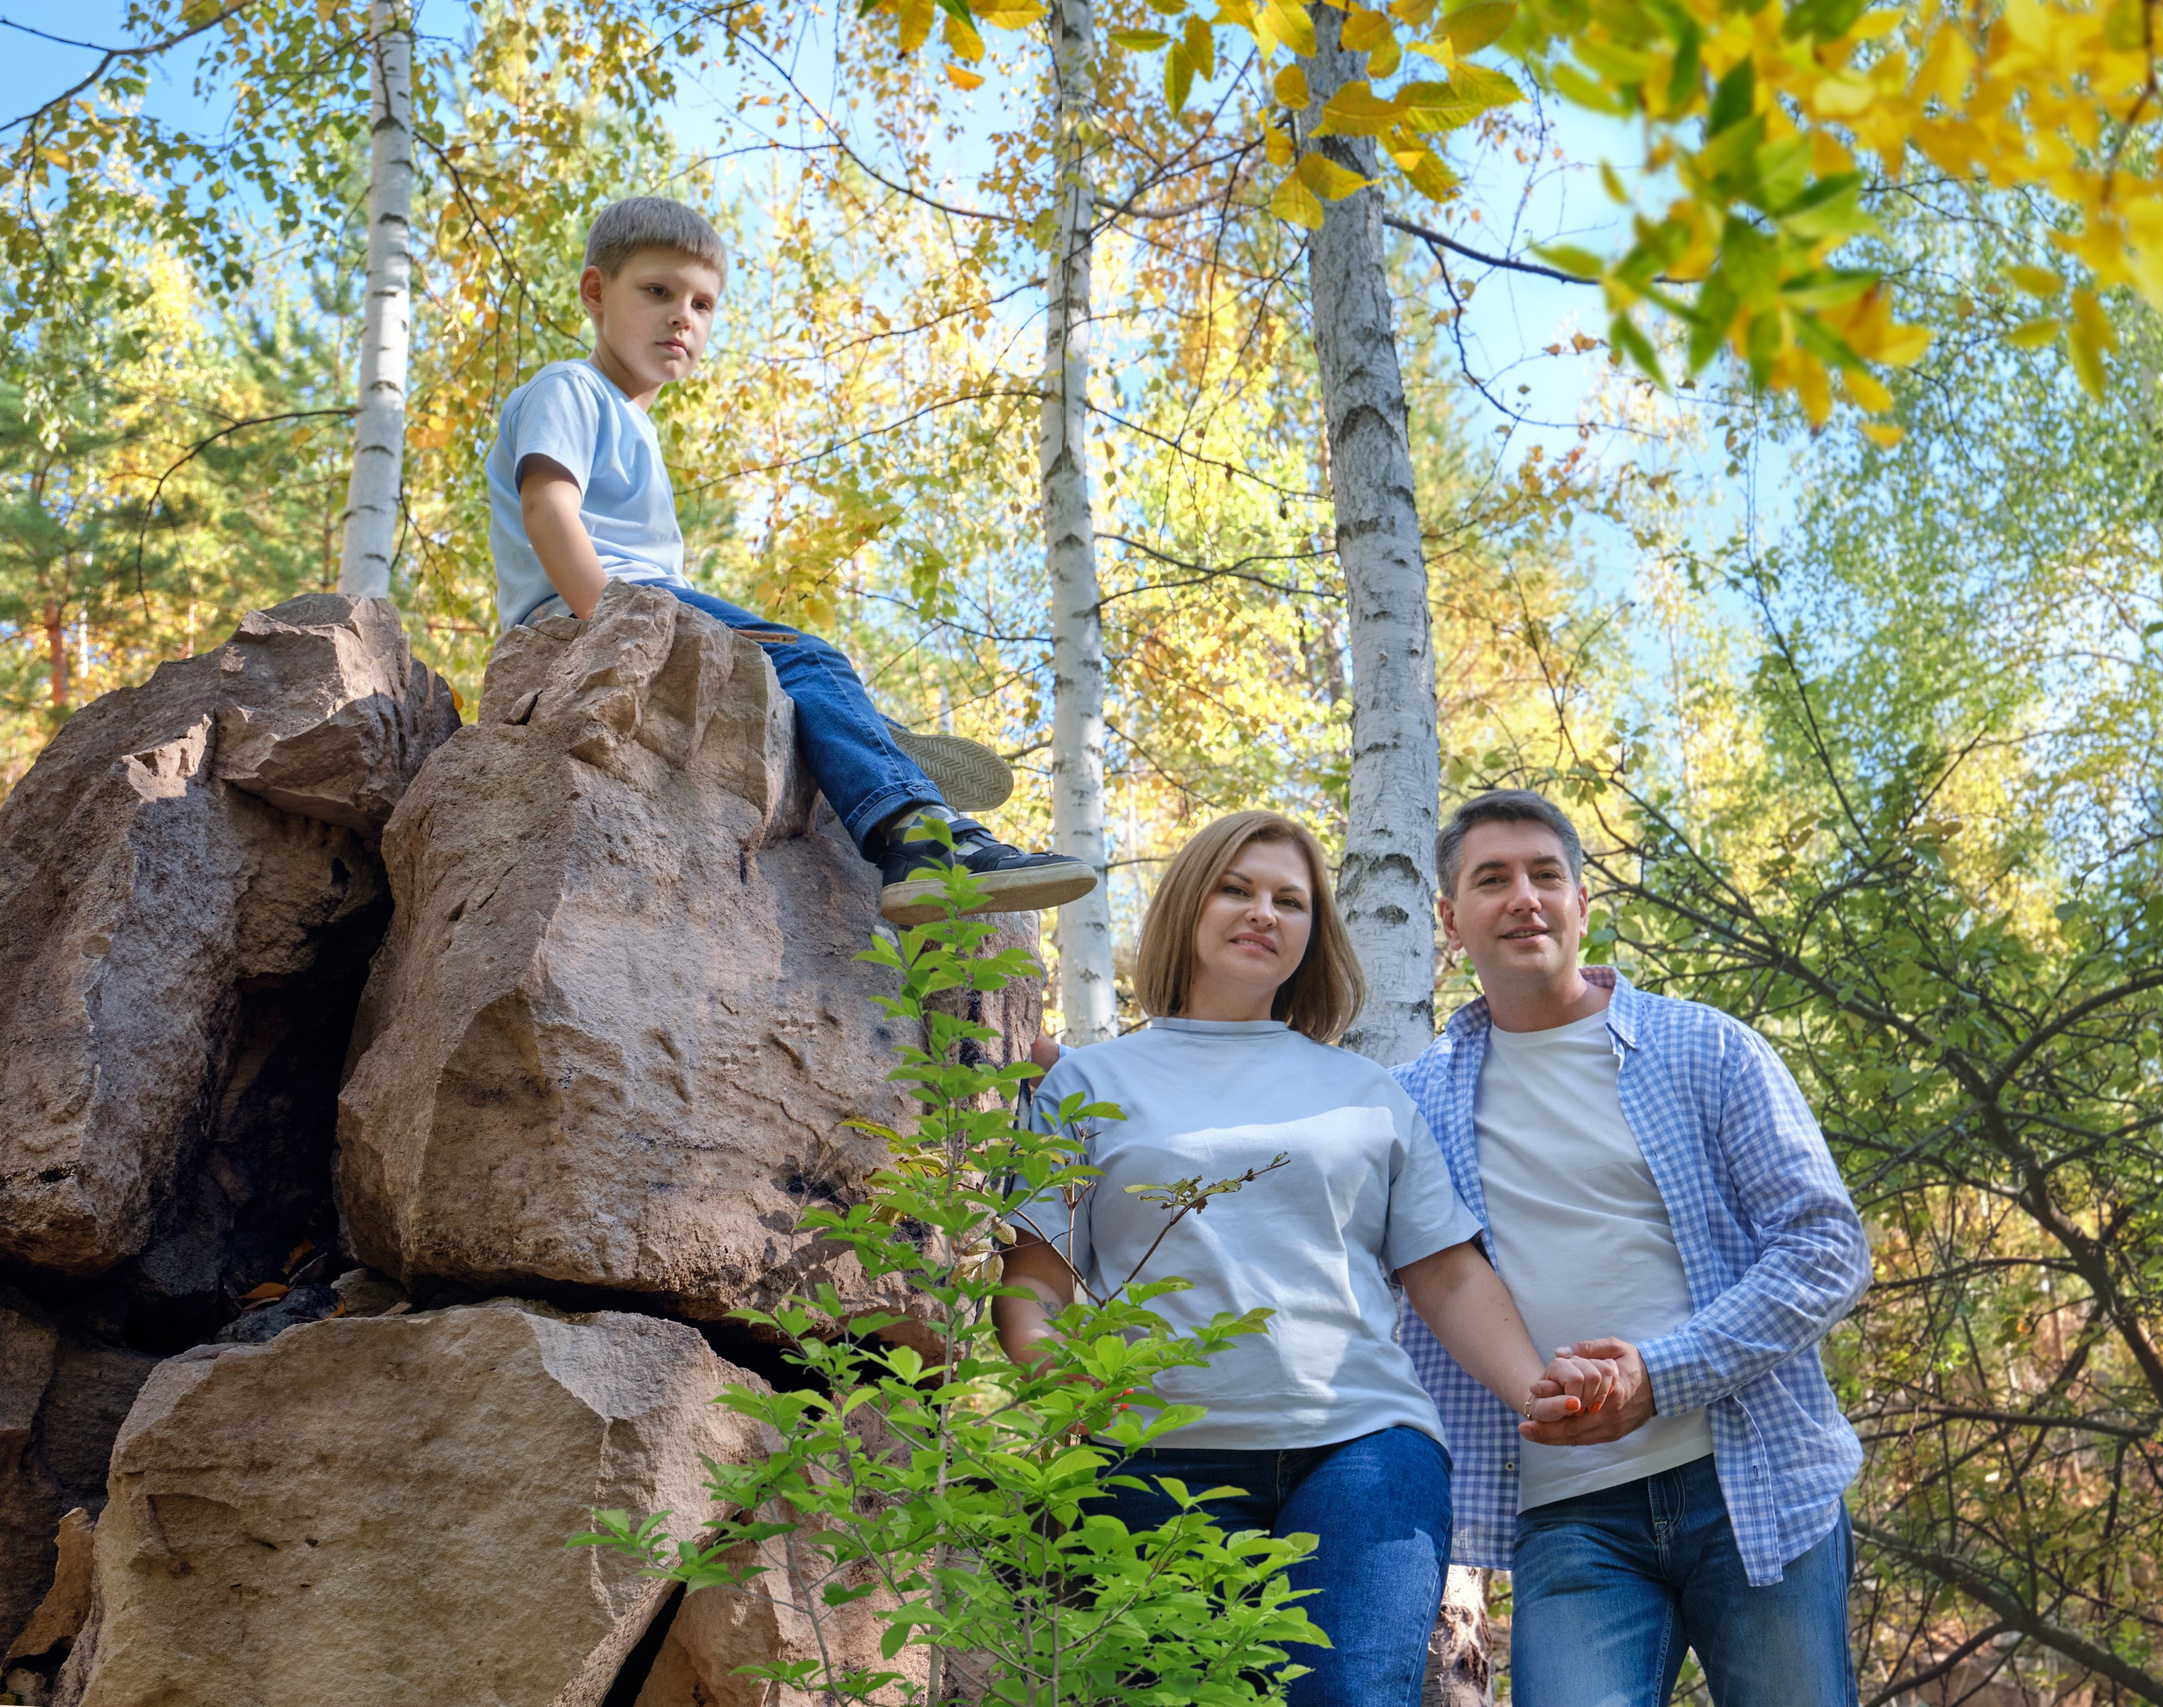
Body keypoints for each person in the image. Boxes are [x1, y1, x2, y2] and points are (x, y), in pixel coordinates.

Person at [995, 810, 1611, 1707]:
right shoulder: (1087, 1083)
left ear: (1313, 934)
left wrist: (1534, 1387)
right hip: (1157, 1461)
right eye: (1237, 888)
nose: (1264, 913)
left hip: (1363, 1453)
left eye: (1291, 900)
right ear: (1186, 906)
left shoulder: (1367, 1091)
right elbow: (1031, 1286)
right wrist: (1061, 1377)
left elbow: (1446, 1272)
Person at [484, 195, 1092, 925]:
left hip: (642, 600)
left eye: (703, 304)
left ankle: (858, 741)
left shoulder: (633, 422)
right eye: (657, 291)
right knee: (811, 659)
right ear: (595, 291)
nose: (683, 317)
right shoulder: (570, 387)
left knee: (804, 671)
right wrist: (616, 625)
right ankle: (919, 840)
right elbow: (548, 507)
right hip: (611, 605)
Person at [1394, 789, 1872, 1707]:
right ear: (1451, 920)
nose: (1524, 896)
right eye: (1492, 879)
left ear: (1582, 903)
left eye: (1547, 874)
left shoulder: (1705, 1048)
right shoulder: (1413, 1103)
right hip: (1566, 1514)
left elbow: (1826, 1247)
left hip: (1754, 1481)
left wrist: (1662, 1373)